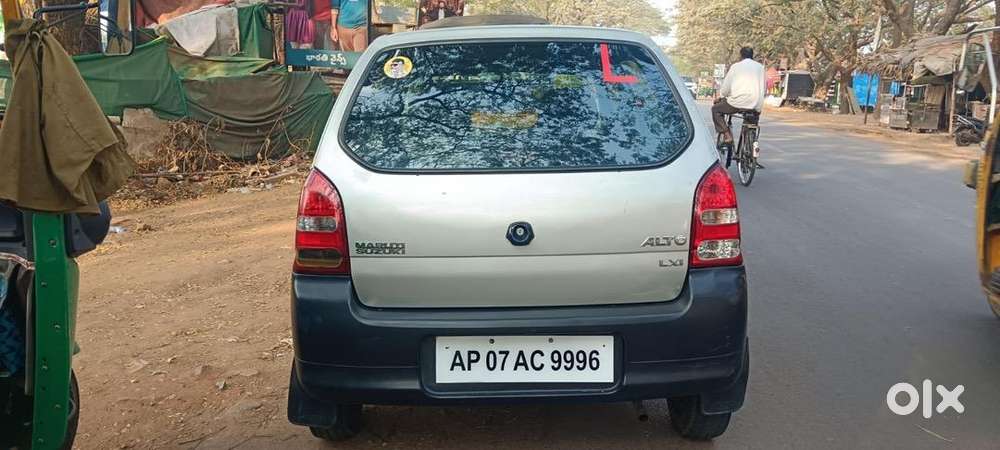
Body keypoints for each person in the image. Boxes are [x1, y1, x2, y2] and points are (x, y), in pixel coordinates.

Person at [712, 46, 765, 148]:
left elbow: (726, 88)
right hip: (755, 103)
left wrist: (721, 96)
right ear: (752, 56)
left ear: (741, 56)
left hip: (737, 103)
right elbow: (763, 86)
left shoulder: (736, 67)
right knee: (752, 121)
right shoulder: (760, 67)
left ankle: (727, 136)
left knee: (716, 110)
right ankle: (750, 145)